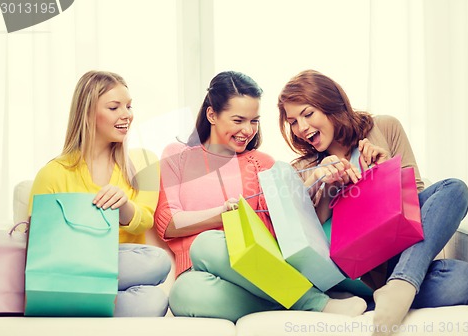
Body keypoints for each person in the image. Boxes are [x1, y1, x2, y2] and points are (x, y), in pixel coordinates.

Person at [277, 69, 468, 335]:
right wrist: (324, 184)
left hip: (399, 255)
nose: (301, 128)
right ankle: (391, 291)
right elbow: (304, 238)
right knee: (462, 281)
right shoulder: (305, 168)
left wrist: (386, 173)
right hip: (358, 275)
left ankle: (399, 287)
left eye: (307, 114)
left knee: (456, 196)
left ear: (331, 105)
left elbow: (420, 203)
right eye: (292, 121)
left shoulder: (384, 128)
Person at [154, 70, 366, 322]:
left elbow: (281, 217)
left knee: (208, 242)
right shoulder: (177, 155)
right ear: (212, 114)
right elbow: (167, 222)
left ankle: (311, 301)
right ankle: (297, 300)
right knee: (183, 293)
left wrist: (314, 179)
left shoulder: (261, 163)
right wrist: (221, 215)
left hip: (257, 269)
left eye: (254, 121)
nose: (248, 130)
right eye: (238, 120)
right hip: (199, 269)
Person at [28, 70, 171, 317]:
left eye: (129, 106)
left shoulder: (144, 161)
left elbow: (145, 220)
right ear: (87, 113)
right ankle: (88, 299)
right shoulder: (52, 173)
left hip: (121, 275)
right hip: (71, 267)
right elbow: (39, 244)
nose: (127, 114)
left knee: (156, 276)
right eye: (114, 107)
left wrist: (123, 205)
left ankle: (89, 305)